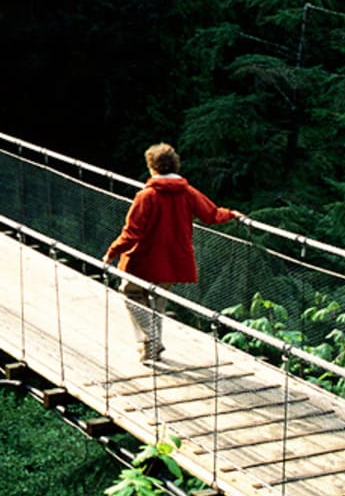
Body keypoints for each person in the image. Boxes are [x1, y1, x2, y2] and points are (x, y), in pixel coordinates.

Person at [104, 143, 242, 363]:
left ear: (152, 167)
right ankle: (152, 345)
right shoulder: (187, 192)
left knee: (130, 292)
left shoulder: (146, 196)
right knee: (158, 300)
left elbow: (132, 233)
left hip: (144, 259)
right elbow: (212, 214)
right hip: (173, 260)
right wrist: (232, 214)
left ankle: (150, 340)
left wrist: (112, 252)